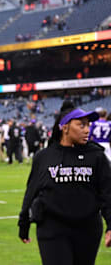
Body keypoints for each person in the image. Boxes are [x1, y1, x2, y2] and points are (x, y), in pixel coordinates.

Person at [18, 101, 111, 265]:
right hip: (52, 228)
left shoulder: (96, 156)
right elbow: (32, 190)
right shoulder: (44, 157)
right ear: (65, 127)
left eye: (88, 125)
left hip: (88, 229)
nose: (87, 130)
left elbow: (107, 192)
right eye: (81, 125)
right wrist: (24, 222)